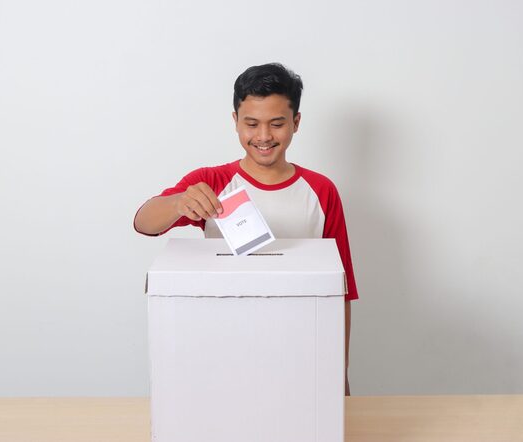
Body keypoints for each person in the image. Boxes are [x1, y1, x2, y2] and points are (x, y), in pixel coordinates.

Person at [134, 62, 358, 395]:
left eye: (277, 124)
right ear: (235, 121)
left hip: (300, 344)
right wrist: (179, 202)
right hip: (224, 343)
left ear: (296, 122)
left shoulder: (321, 190)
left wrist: (338, 371)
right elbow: (144, 222)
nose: (264, 136)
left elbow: (341, 291)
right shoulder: (212, 182)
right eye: (251, 124)